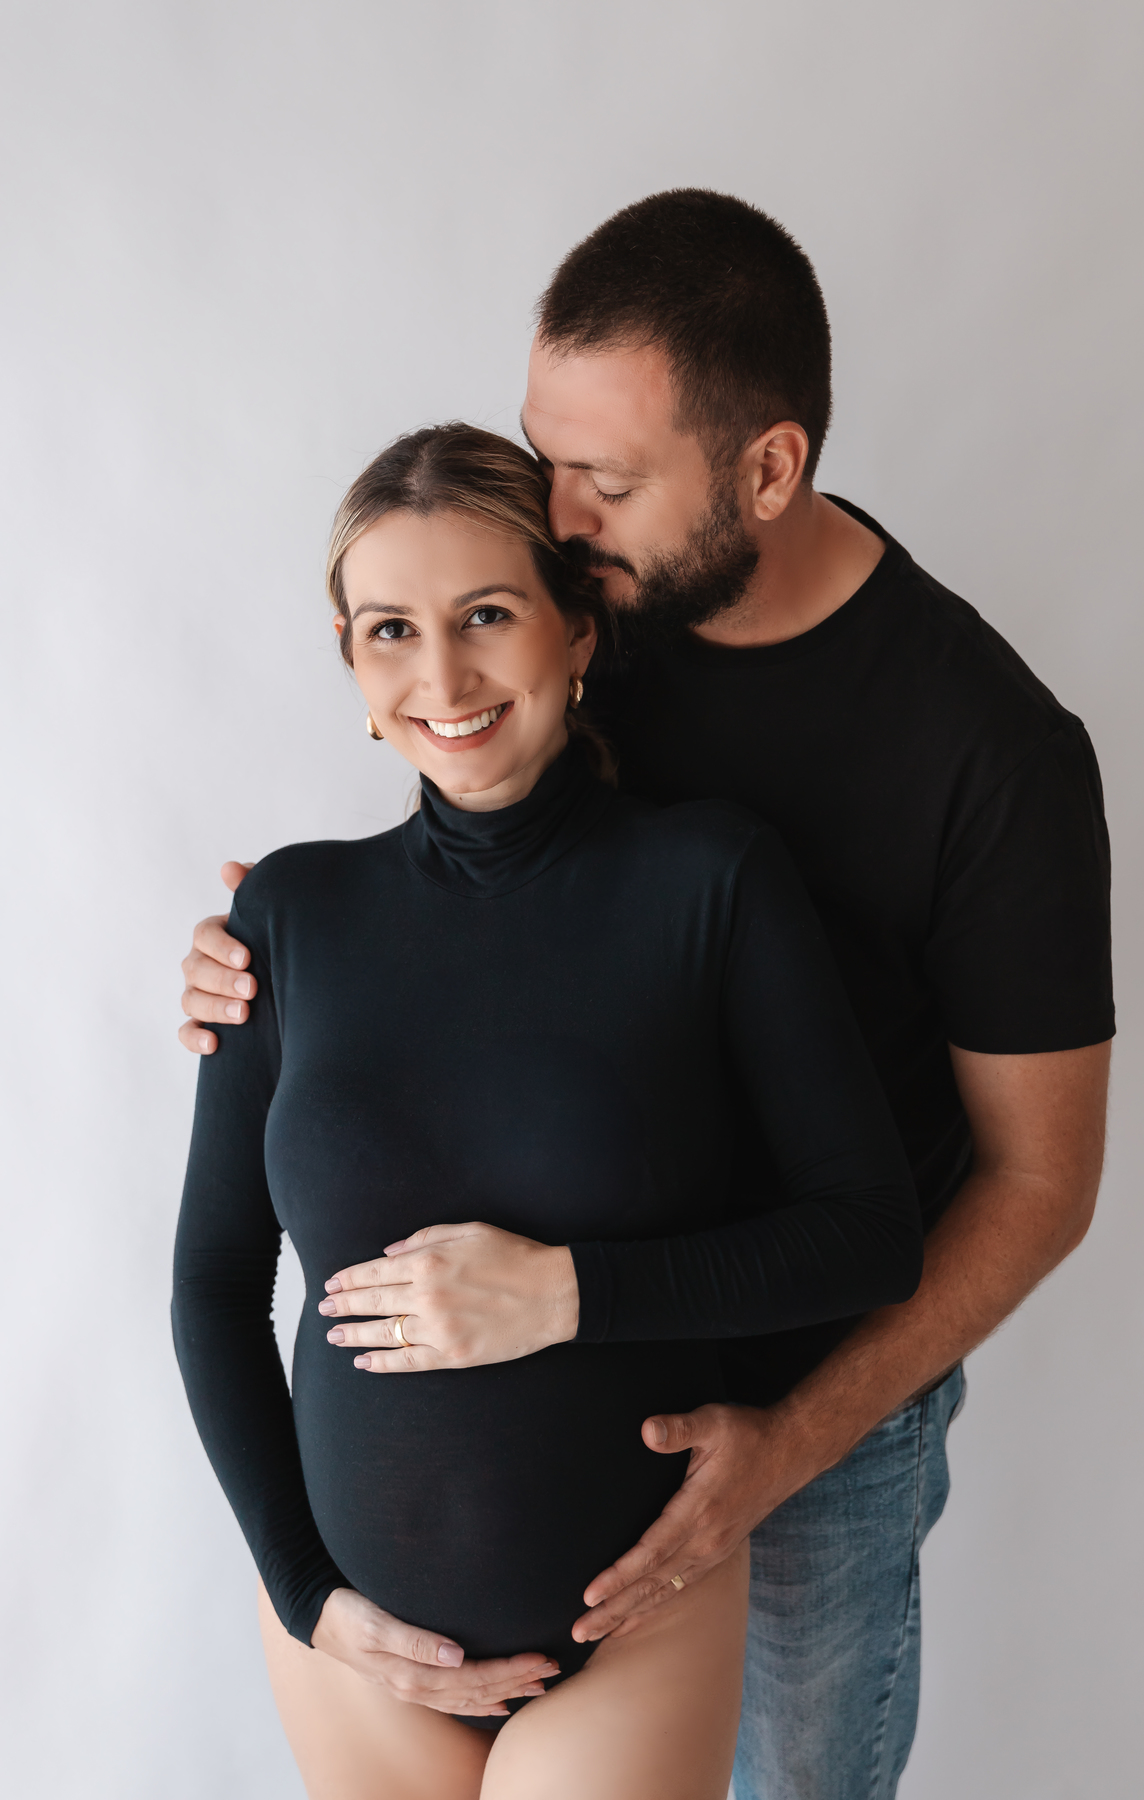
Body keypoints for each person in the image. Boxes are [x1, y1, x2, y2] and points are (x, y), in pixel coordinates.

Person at [179, 192, 1114, 1800]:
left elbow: (1039, 1182)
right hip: (490, 1440)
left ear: (768, 470)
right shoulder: (585, 605)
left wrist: (785, 1442)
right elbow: (461, 849)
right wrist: (256, 963)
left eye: (602, 484)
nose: (555, 518)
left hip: (820, 1386)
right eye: (546, 460)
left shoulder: (991, 756)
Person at [172, 421, 923, 1800]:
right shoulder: (287, 915)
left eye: (487, 615)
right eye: (392, 631)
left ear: (577, 631)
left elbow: (870, 1233)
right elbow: (215, 1284)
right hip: (357, 1651)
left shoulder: (709, 881)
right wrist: (306, 1595)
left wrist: (572, 1294)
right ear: (351, 663)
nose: (443, 677)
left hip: (630, 1624)